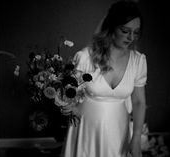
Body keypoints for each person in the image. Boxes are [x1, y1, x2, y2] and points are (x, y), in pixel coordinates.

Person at [61, 1, 147, 157]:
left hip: (118, 133)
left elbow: (139, 102)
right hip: (85, 131)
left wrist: (136, 138)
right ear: (112, 27)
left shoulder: (138, 60)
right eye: (125, 31)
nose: (131, 37)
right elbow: (70, 94)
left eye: (136, 32)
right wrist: (69, 106)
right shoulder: (85, 57)